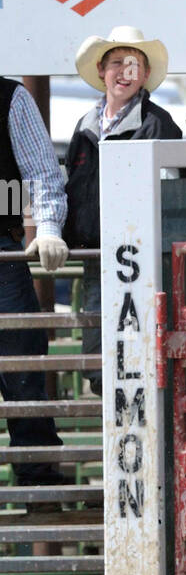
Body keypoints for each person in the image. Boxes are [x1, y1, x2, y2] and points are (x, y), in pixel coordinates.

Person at [65, 27, 181, 397]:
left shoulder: (159, 124)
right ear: (102, 70)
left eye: (134, 64)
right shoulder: (84, 126)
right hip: (97, 258)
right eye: (118, 62)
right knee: (102, 366)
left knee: (139, 359)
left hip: (143, 261)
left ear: (145, 75)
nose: (125, 71)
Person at [0, 76, 68, 489]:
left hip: (2, 252)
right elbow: (41, 171)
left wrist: (47, 226)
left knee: (24, 372)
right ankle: (39, 484)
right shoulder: (10, 96)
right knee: (23, 369)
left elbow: (42, 171)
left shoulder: (10, 97)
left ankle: (39, 483)